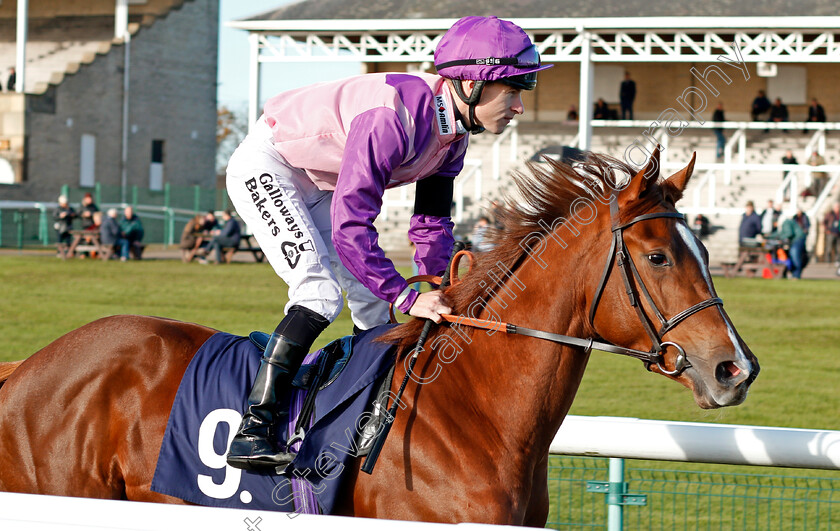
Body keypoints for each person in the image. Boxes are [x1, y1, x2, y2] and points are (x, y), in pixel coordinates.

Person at [222, 15, 551, 471]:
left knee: (373, 311)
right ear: (472, 83)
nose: (518, 106)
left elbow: (431, 224)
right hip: (272, 166)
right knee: (320, 294)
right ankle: (253, 430)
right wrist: (405, 294)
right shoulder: (392, 117)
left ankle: (363, 417)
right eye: (513, 90)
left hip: (321, 181)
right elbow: (351, 225)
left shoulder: (453, 137)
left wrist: (441, 288)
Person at [780, 210, 810, 279]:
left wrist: (780, 237)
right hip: (799, 238)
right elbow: (781, 233)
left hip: (798, 239)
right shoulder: (788, 221)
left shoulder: (786, 222)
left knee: (794, 255)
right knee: (793, 255)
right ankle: (794, 274)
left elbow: (789, 233)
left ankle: (796, 275)